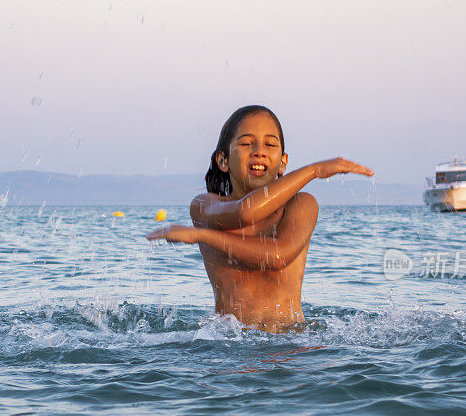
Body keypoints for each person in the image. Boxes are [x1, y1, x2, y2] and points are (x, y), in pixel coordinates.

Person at [146, 105, 373, 332]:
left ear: (283, 163)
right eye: (246, 143)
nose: (259, 151)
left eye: (270, 144)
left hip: (290, 342)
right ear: (223, 160)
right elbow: (245, 212)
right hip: (227, 346)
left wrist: (202, 236)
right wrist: (314, 171)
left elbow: (277, 256)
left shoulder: (301, 204)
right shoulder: (205, 205)